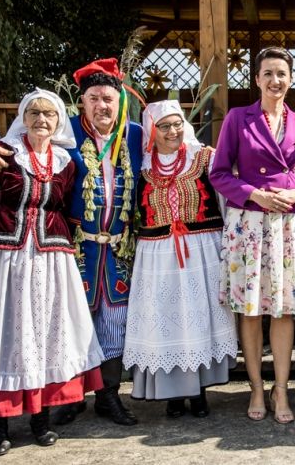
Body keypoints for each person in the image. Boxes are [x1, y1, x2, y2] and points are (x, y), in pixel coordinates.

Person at [0, 58, 144, 426]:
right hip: (73, 250)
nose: (102, 106)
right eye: (94, 98)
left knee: (115, 321)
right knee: (68, 322)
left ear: (119, 103)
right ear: (81, 103)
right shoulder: (67, 138)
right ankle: (71, 395)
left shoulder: (133, 134)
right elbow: (18, 143)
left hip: (118, 249)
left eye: (109, 99)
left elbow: (177, 140)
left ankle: (109, 395)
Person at [0, 89, 104, 456]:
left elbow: (70, 207)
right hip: (2, 259)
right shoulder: (1, 154)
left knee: (46, 335)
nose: (41, 120)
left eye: (49, 114)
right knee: (3, 337)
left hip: (51, 260)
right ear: (23, 117)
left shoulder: (66, 161)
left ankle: (40, 419)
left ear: (59, 120)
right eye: (34, 113)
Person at [210, 46, 295, 424]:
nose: (276, 80)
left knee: (283, 309)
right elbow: (219, 173)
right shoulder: (238, 119)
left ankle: (282, 388)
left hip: (288, 225)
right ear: (256, 79)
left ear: (291, 80)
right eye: (269, 73)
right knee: (252, 309)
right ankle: (257, 386)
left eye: (282, 74)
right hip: (249, 225)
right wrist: (253, 193)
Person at [122, 100, 237, 418]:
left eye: (177, 124)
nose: (173, 131)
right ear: (151, 130)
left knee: (199, 317)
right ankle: (174, 394)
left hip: (201, 251)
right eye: (164, 126)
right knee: (168, 321)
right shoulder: (142, 166)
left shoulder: (205, 157)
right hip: (157, 255)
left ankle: (198, 391)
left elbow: (228, 201)